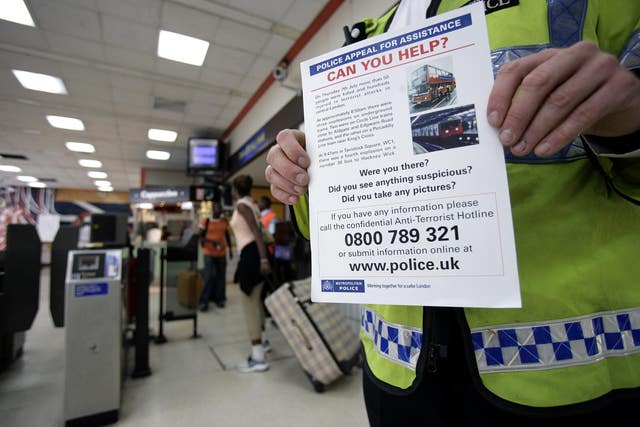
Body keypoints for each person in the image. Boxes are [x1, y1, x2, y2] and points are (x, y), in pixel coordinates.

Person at [266, 1, 640, 425]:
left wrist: (630, 118)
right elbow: (322, 231)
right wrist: (300, 179)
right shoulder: (365, 39)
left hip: (574, 377)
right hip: (396, 373)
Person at [229, 175, 273, 373]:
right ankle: (262, 342)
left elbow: (256, 232)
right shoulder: (253, 205)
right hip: (255, 255)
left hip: (251, 255)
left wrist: (263, 259)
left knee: (249, 305)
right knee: (256, 301)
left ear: (235, 190)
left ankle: (258, 358)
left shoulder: (241, 206)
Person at [198, 202, 232, 311]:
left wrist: (230, 250)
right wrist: (211, 242)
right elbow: (200, 236)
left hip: (221, 253)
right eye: (216, 208)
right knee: (208, 276)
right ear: (213, 209)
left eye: (220, 208)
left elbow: (227, 235)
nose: (218, 210)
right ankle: (203, 301)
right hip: (208, 252)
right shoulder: (206, 221)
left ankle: (220, 299)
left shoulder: (224, 222)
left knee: (221, 277)